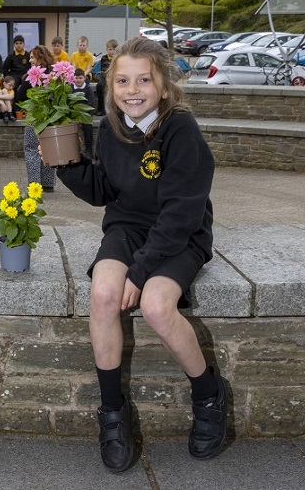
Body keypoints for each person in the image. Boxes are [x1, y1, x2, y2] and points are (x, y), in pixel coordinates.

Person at [55, 37, 228, 473]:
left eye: (143, 80)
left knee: (154, 304)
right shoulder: (112, 128)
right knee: (102, 296)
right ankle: (112, 413)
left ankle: (209, 393)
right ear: (110, 87)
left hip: (179, 233)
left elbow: (181, 211)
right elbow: (106, 192)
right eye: (122, 81)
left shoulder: (181, 129)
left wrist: (141, 270)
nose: (132, 90)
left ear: (164, 87)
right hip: (127, 228)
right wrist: (67, 165)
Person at [21, 45, 56, 191]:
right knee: (48, 149)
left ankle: (35, 185)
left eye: (32, 57)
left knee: (32, 149)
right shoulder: (54, 74)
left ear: (40, 58)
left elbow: (21, 94)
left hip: (35, 116)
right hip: (51, 116)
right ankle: (47, 184)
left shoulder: (32, 75)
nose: (30, 60)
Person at [73, 69, 95, 159]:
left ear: (84, 78)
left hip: (85, 114)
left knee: (88, 126)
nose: (78, 80)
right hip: (73, 115)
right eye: (76, 78)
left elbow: (90, 104)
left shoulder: (88, 89)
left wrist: (82, 113)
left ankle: (89, 149)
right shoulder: (70, 88)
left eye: (80, 78)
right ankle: (73, 150)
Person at [95, 39, 119, 116]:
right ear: (107, 49)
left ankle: (116, 110)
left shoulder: (118, 58)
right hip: (105, 77)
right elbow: (102, 70)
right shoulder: (104, 58)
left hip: (115, 78)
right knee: (99, 86)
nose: (112, 52)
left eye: (114, 50)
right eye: (110, 49)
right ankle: (100, 109)